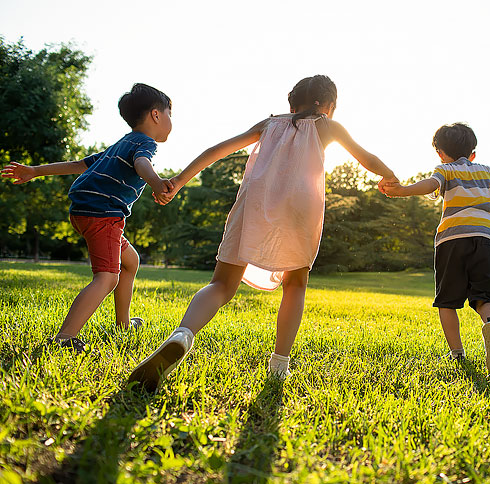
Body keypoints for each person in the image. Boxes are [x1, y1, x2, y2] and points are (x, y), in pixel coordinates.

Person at [128, 75, 398, 391]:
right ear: (328, 105)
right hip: (300, 206)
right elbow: (366, 158)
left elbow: (218, 150)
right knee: (295, 284)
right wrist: (391, 176)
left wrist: (178, 181)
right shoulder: (327, 125)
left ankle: (183, 334)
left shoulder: (270, 124)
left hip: (255, 201)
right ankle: (279, 366)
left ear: (291, 103)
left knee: (221, 283)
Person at [1, 83, 174, 353]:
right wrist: (154, 182)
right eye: (169, 113)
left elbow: (78, 165)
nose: (170, 120)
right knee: (107, 277)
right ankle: (65, 336)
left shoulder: (121, 144)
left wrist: (35, 170)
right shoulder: (144, 143)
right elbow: (143, 164)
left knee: (130, 262)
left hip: (87, 210)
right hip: (102, 213)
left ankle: (123, 325)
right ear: (156, 115)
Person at [382, 123, 490, 376]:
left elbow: (430, 184)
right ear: (473, 153)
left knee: (447, 301)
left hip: (453, 239)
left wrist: (403, 191)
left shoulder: (445, 169)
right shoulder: (486, 172)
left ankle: (457, 353)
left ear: (439, 152)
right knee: (486, 298)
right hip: (489, 240)